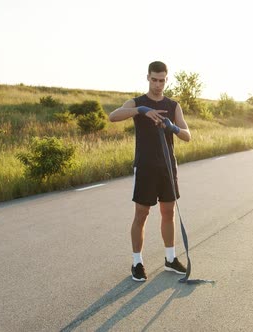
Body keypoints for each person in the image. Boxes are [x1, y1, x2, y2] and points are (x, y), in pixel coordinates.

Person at [109, 61, 191, 282]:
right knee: (141, 215)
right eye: (154, 79)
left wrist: (172, 127)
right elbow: (113, 116)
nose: (157, 84)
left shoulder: (173, 105)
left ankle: (170, 259)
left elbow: (187, 135)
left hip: (167, 167)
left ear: (166, 79)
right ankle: (137, 262)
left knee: (168, 213)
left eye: (161, 80)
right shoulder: (138, 102)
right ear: (148, 78)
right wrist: (141, 111)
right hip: (145, 167)